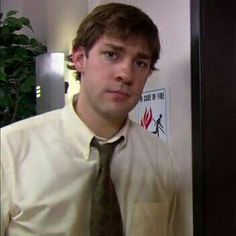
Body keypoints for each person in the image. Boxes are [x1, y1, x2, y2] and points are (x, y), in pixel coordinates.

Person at [1, 3, 177, 236]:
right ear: (80, 58)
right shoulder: (10, 149)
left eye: (140, 63)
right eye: (112, 54)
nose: (125, 74)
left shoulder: (160, 159)